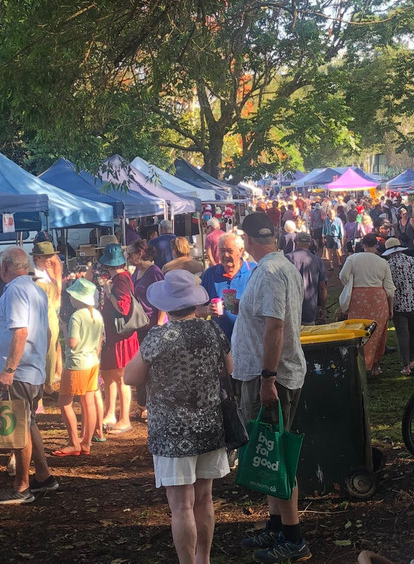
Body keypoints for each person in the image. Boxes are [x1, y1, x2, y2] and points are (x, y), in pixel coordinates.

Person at [124, 270, 231, 564]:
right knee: (205, 499)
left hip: (172, 431)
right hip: (210, 424)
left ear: (167, 305)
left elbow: (129, 376)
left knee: (181, 506)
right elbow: (229, 369)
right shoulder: (213, 330)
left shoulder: (160, 337)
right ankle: (204, 559)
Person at [232, 212, 309, 564]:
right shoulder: (282, 266)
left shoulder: (270, 272)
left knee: (276, 456)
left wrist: (267, 378)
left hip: (272, 378)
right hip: (269, 374)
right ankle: (276, 525)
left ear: (247, 240)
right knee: (266, 451)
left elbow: (275, 327)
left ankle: (294, 539)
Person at [0, 247, 57, 504]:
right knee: (29, 424)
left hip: (19, 372)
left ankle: (22, 487)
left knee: (19, 428)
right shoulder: (35, 289)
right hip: (30, 370)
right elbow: (46, 332)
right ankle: (44, 476)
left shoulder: (15, 290)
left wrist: (8, 370)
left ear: (5, 267)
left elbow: (20, 332)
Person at [53, 279, 103, 457]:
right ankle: (86, 442)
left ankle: (74, 442)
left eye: (73, 295)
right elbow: (98, 343)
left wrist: (64, 331)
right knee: (88, 402)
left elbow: (73, 344)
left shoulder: (76, 316)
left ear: (79, 298)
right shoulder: (96, 314)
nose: (70, 298)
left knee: (64, 402)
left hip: (76, 364)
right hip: (92, 362)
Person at [96, 243, 139, 434]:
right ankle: (110, 413)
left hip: (121, 336)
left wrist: (108, 291)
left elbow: (123, 307)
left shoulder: (121, 280)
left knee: (121, 378)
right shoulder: (121, 278)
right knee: (108, 375)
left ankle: (124, 419)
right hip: (113, 336)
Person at [338, 234, 395, 375]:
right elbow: (389, 288)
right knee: (378, 332)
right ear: (376, 245)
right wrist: (391, 307)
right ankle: (375, 366)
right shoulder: (383, 262)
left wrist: (352, 283)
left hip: (359, 298)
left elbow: (343, 276)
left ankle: (358, 364)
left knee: (357, 331)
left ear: (362, 245)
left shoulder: (353, 259)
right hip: (378, 299)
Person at [200, 232, 257, 339]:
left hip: (249, 339)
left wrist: (244, 306)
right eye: (222, 251)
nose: (225, 255)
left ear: (240, 251)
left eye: (229, 251)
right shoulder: (210, 274)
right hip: (220, 341)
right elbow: (197, 310)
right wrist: (208, 310)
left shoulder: (254, 271)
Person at [383, 239, 414, 376]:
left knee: (402, 335)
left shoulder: (387, 265)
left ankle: (406, 365)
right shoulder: (413, 260)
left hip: (398, 304)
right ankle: (412, 359)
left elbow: (387, 286)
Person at [31, 240, 64, 394]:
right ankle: (44, 382)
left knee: (51, 346)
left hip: (50, 313)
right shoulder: (35, 274)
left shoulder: (46, 272)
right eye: (46, 257)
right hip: (43, 313)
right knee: (44, 347)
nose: (51, 260)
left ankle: (48, 382)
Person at [286, 232, 328, 325]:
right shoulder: (317, 261)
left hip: (289, 309)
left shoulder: (286, 259)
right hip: (310, 309)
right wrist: (323, 308)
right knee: (308, 337)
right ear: (310, 244)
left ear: (295, 242)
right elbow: (322, 287)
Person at [128, 239, 165, 328]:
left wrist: (159, 324)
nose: (127, 258)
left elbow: (163, 299)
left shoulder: (155, 273)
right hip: (137, 322)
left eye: (129, 255)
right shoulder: (137, 270)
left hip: (150, 323)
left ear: (139, 254)